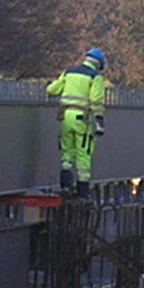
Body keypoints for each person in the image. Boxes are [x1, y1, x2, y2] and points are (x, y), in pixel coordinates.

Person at [44, 47, 109, 195]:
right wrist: (99, 121)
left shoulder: (69, 72)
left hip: (65, 116)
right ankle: (82, 190)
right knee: (83, 154)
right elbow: (96, 101)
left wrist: (48, 85)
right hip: (83, 119)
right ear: (99, 64)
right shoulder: (95, 77)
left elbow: (52, 90)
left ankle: (65, 185)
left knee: (67, 153)